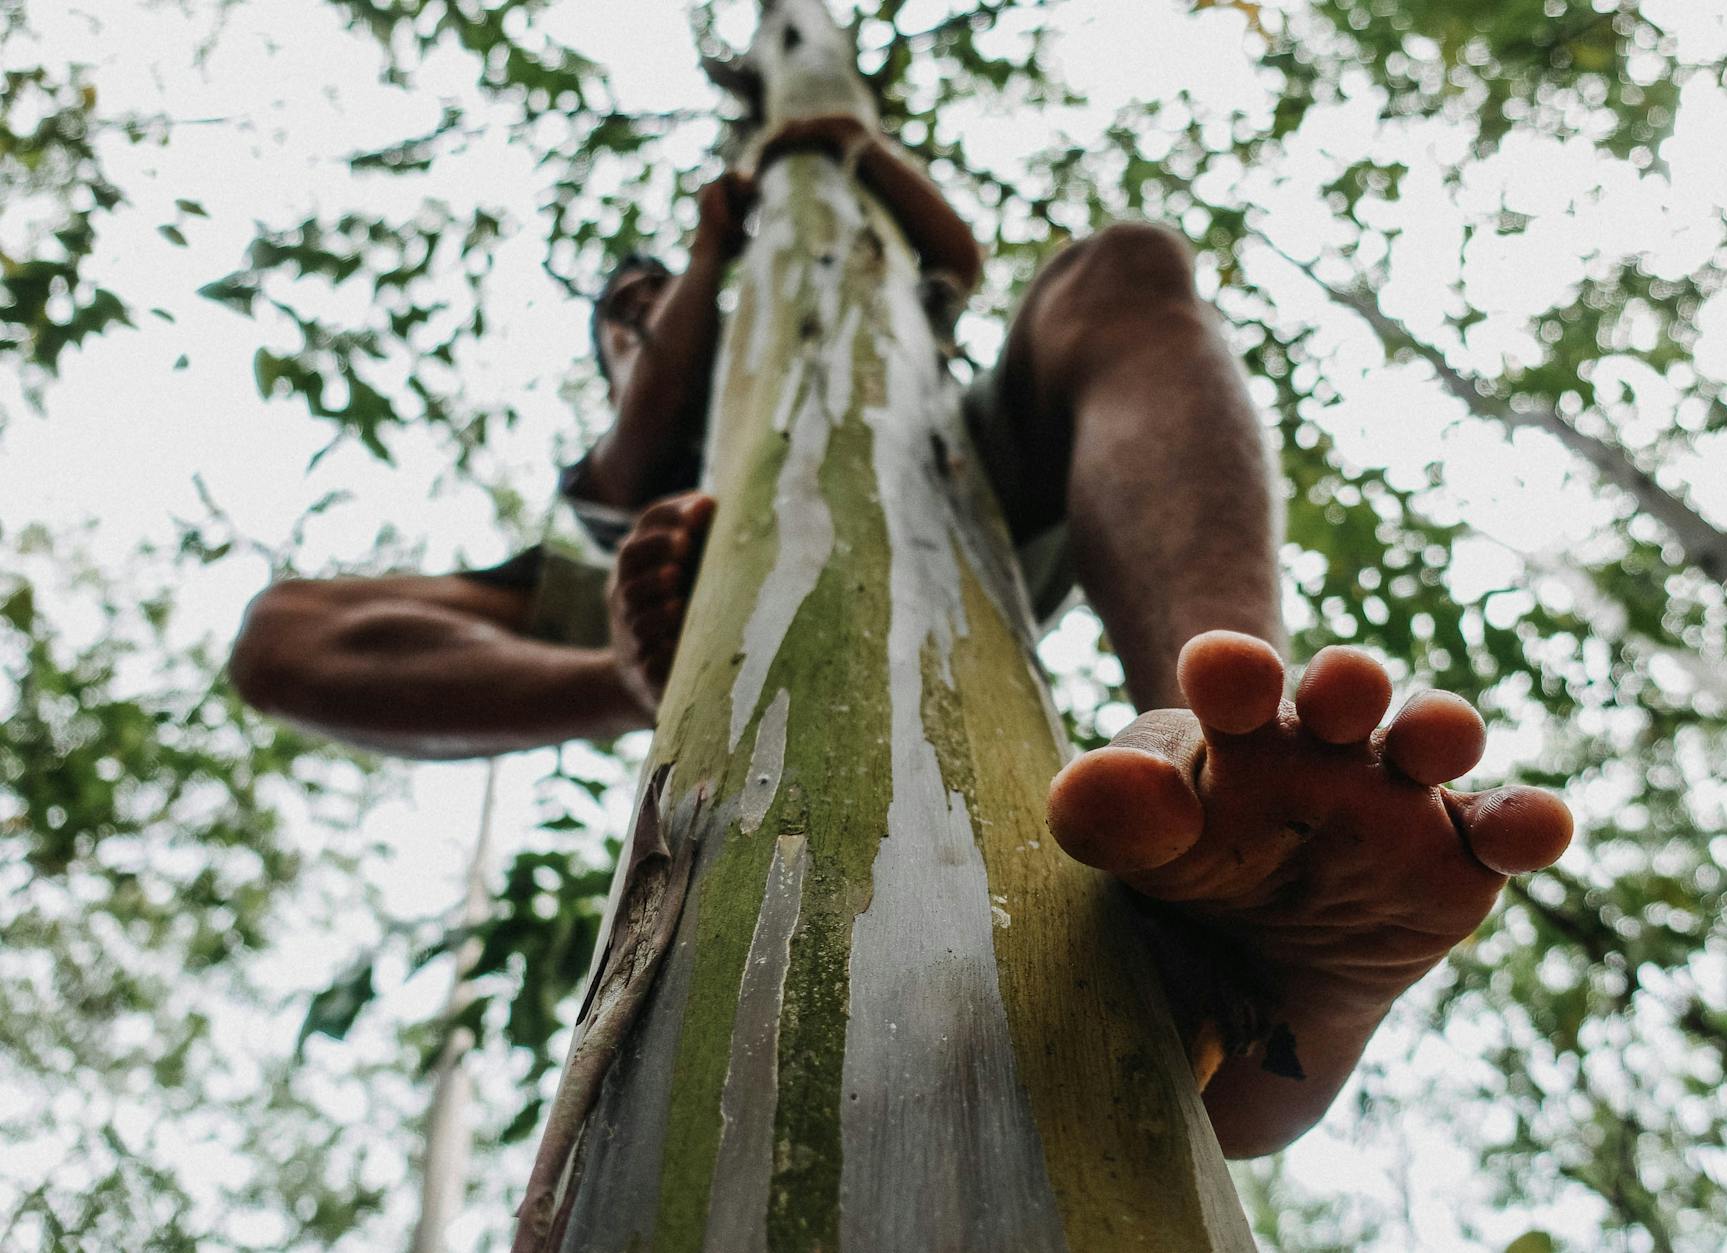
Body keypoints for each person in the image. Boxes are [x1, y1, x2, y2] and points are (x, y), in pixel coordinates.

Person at [230, 115, 1572, 1158]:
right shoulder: (610, 486)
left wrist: (834, 146)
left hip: (944, 481)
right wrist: (627, 666)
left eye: (648, 302)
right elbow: (304, 636)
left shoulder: (863, 271)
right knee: (277, 633)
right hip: (677, 571)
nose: (642, 322)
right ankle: (1234, 998)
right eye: (620, 321)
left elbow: (959, 260)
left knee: (1126, 270)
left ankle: (1224, 745)